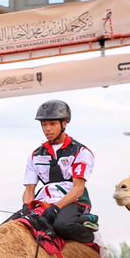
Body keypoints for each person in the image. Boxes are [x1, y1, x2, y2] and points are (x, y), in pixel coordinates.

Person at [21, 99, 96, 243]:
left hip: (74, 201)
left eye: (52, 124)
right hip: (45, 201)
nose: (47, 129)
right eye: (44, 125)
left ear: (65, 123)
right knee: (7, 228)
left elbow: (78, 189)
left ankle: (90, 237)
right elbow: (29, 189)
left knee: (62, 226)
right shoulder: (35, 155)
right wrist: (26, 207)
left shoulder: (81, 151)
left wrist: (56, 208)